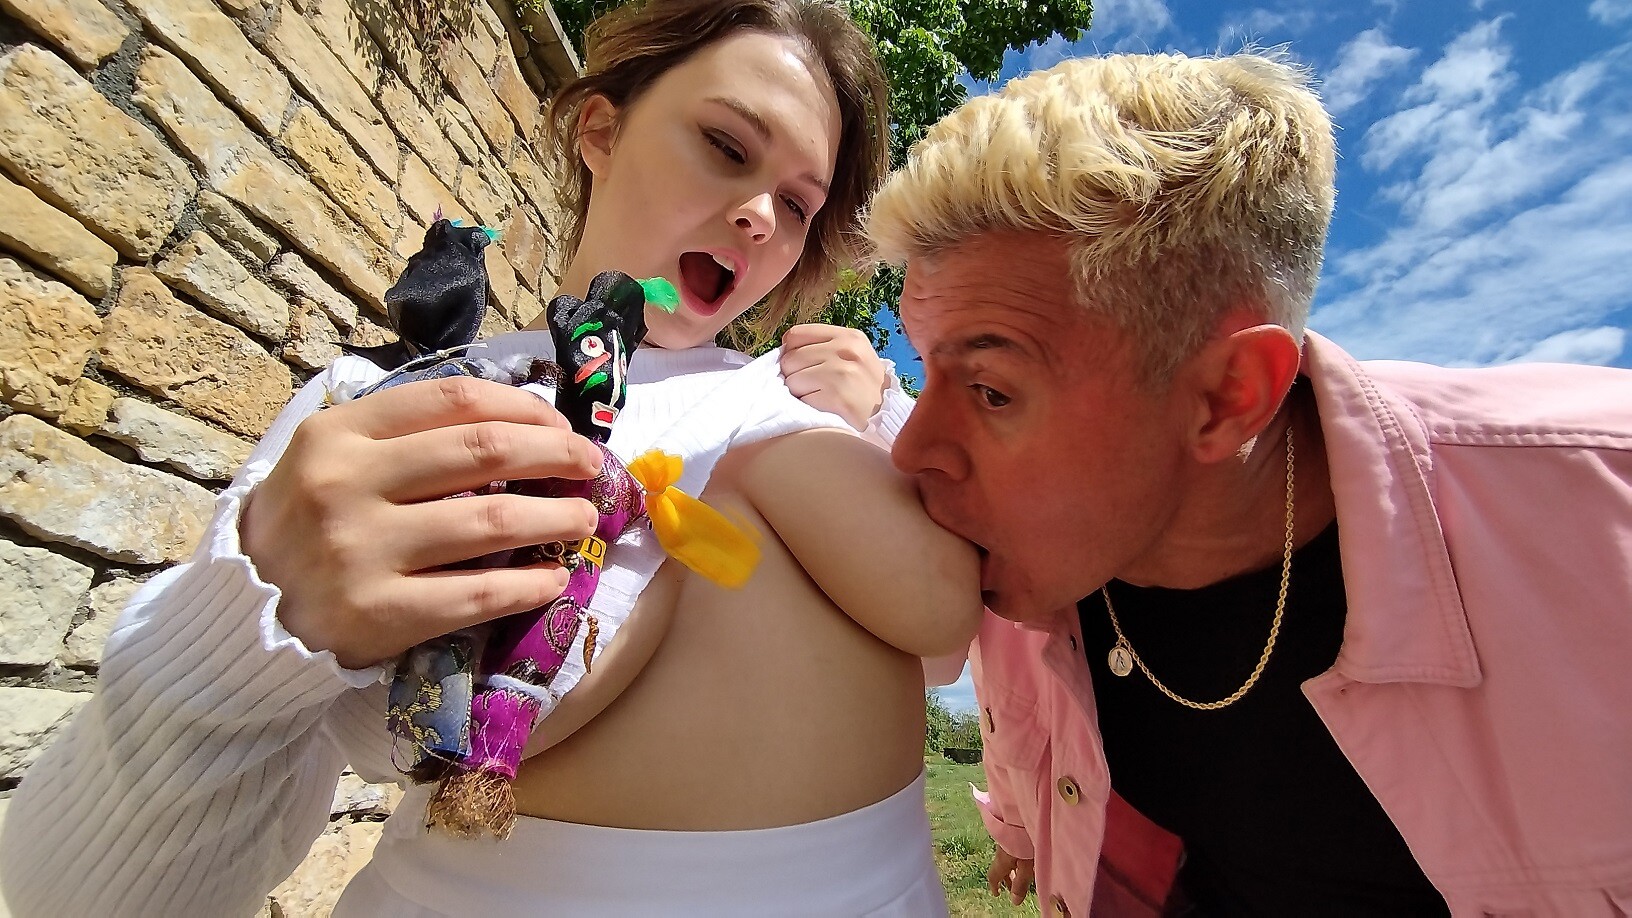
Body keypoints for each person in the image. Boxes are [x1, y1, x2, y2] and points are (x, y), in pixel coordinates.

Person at [0, 1, 982, 915]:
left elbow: (941, 650)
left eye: (800, 206)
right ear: (600, 132)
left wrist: (879, 422)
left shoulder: (807, 394)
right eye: (727, 146)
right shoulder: (392, 402)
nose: (762, 214)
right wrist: (254, 621)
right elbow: (72, 899)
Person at [867, 49, 1632, 917]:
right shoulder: (1019, 569)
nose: (914, 450)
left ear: (1229, 395)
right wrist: (1015, 829)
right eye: (924, 368)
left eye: (992, 390)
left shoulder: (1601, 514)